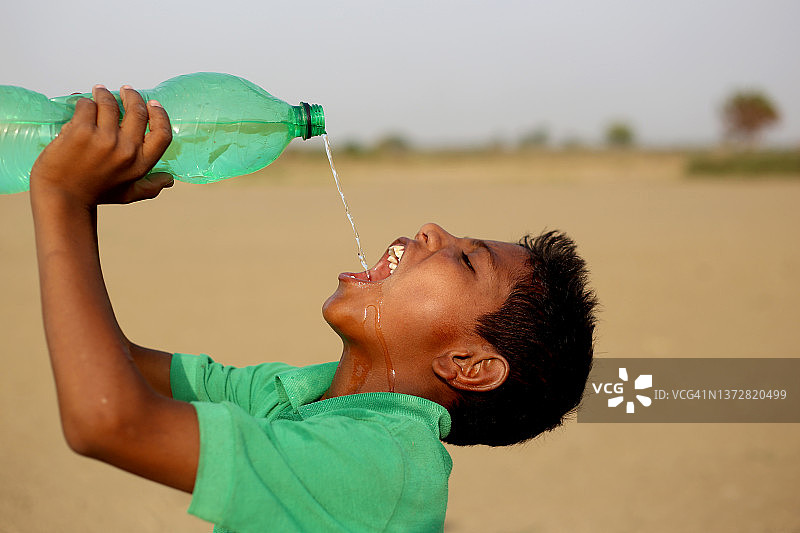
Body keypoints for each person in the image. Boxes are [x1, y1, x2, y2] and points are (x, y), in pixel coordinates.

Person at [29, 85, 597, 533]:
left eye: (469, 261)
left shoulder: (388, 465)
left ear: (469, 364)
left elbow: (108, 421)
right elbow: (109, 363)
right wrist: (85, 202)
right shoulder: (304, 394)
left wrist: (63, 199)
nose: (432, 229)